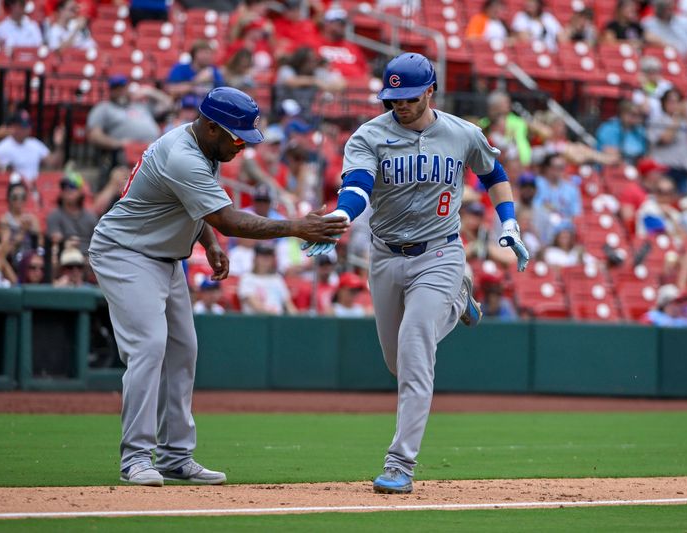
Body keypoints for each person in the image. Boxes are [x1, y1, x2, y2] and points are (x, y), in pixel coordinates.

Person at [87, 87, 348, 487]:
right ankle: (136, 457)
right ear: (211, 127)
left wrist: (206, 242)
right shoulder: (183, 155)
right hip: (126, 253)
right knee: (149, 347)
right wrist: (296, 227)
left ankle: (175, 456)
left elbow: (194, 208)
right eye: (238, 137)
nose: (243, 146)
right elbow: (228, 219)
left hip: (163, 256)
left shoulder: (204, 146)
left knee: (183, 350)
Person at [300, 53, 528, 494]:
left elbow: (494, 172)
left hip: (440, 253)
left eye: (407, 97)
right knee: (397, 362)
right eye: (392, 97)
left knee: (415, 348)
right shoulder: (369, 135)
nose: (398, 105)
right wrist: (341, 219)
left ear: (430, 92)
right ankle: (461, 301)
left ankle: (400, 464)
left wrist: (510, 221)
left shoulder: (462, 133)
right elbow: (357, 187)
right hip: (386, 255)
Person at [0, 110, 65, 182]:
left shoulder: (34, 143)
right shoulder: (2, 148)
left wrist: (58, 145)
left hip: (34, 188)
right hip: (14, 189)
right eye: (23, 126)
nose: (27, 129)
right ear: (14, 126)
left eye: (28, 125)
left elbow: (53, 164)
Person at [237, 242, 297, 314]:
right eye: (262, 255)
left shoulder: (277, 278)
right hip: (256, 321)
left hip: (277, 321)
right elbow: (256, 306)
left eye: (269, 256)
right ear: (255, 258)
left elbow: (289, 304)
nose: (266, 259)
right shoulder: (247, 278)